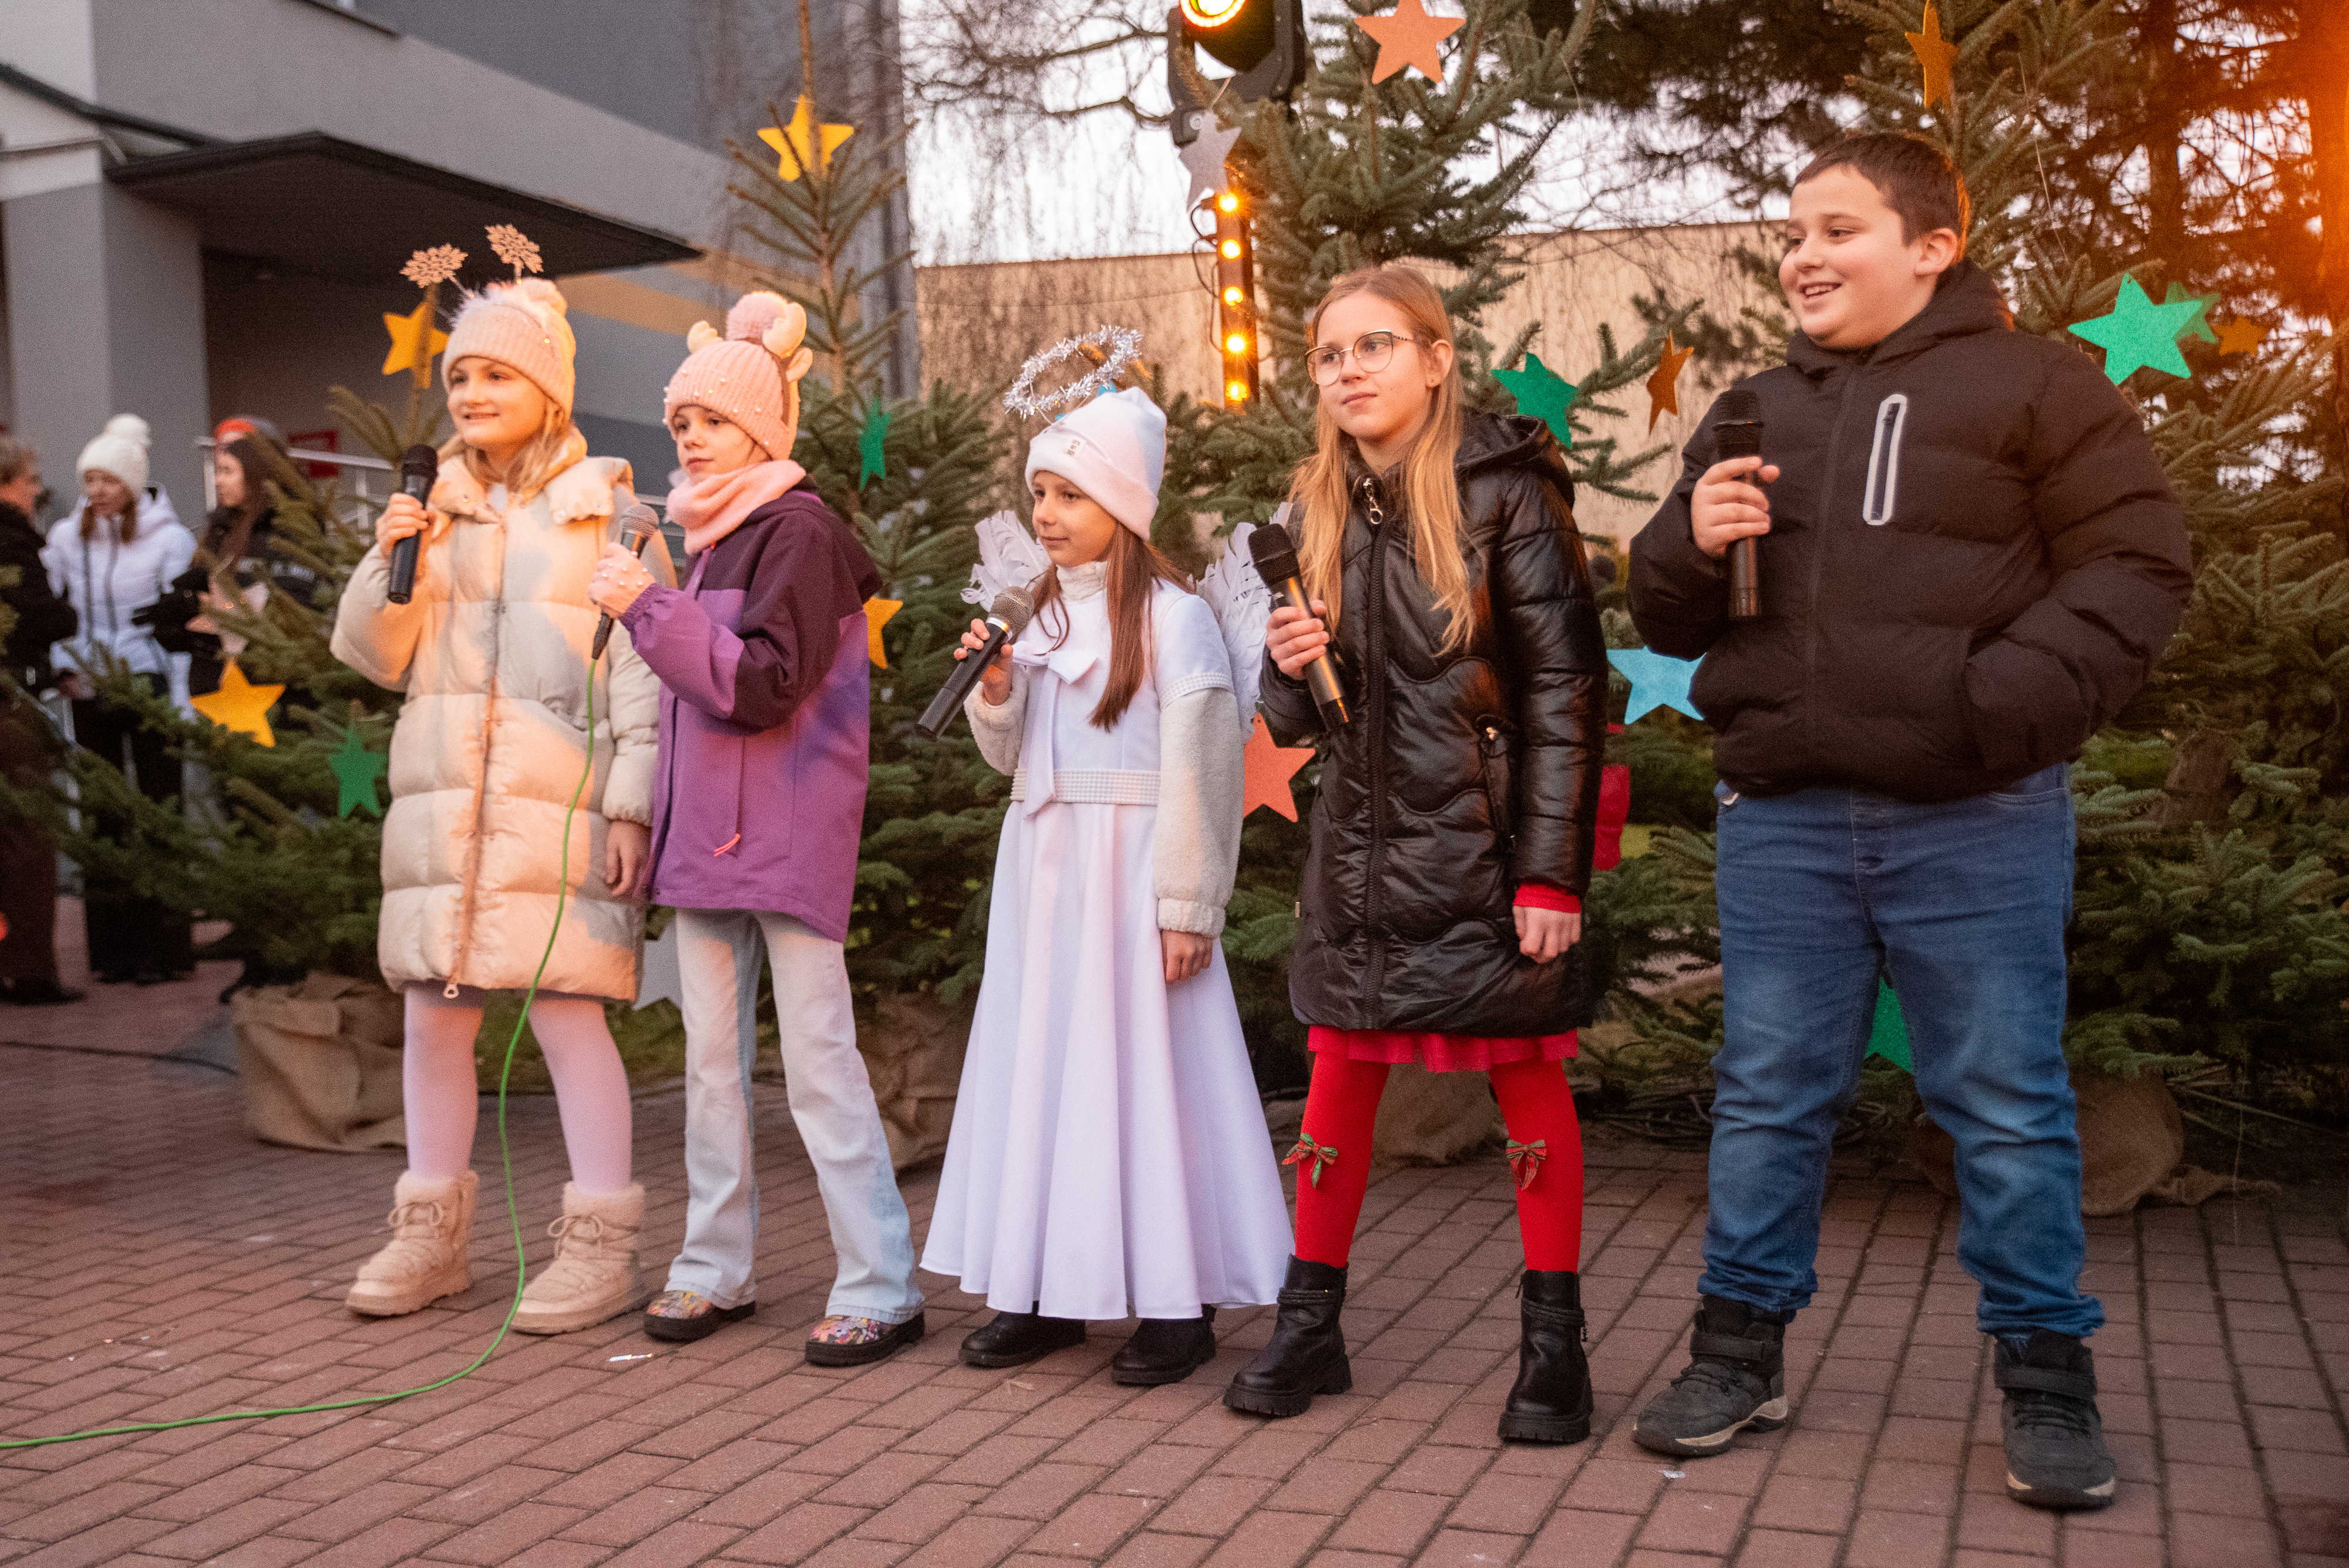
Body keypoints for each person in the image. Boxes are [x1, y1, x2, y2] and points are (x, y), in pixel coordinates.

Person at [1626, 132, 2192, 1511]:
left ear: (1932, 245)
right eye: (1792, 234)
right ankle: (1736, 1353)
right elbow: (1663, 610)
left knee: (2001, 1100)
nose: (1802, 256)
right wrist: (1687, 539)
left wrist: (1993, 703)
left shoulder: (2038, 386)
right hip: (1785, 817)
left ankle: (2046, 1380)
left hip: (1975, 816)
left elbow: (2136, 561)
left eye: (1838, 229)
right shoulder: (1753, 407)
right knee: (1767, 1094)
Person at [1223, 264, 1607, 1443]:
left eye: (1375, 345)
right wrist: (1288, 663)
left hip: (1486, 850)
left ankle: (1555, 1348)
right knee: (1337, 1080)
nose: (1349, 371)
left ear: (1436, 360)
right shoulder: (1312, 512)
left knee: (1524, 1072)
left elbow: (1565, 692)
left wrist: (1551, 873)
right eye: (1330, 354)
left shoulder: (1508, 493)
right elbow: (1296, 725)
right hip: (1360, 849)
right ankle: (1310, 1324)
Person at [920, 386, 1292, 1384]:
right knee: (1045, 1071)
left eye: (1071, 494)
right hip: (1044, 877)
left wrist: (1188, 904)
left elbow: (1202, 771)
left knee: (1148, 1078)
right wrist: (995, 693)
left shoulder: (1175, 620)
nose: (1046, 513)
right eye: (1039, 492)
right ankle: (1044, 1290)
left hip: (1133, 877)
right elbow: (1014, 762)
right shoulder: (1032, 615)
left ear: (1122, 505)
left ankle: (1178, 1300)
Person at [585, 292, 927, 1364]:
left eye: (715, 421)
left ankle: (881, 1282)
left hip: (783, 836)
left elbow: (762, 686)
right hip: (706, 841)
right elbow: (692, 694)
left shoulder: (799, 533)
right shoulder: (709, 535)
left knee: (819, 1061)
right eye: (682, 420)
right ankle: (711, 1267)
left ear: (766, 429)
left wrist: (647, 608)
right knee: (709, 1066)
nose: (691, 437)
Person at [331, 272, 671, 1335]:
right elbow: (375, 653)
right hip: (446, 808)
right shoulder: (433, 510)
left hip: (558, 805)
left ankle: (600, 1242)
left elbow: (645, 674)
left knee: (568, 1009)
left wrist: (631, 806)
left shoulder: (611, 514)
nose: (473, 393)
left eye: (497, 374)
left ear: (549, 389)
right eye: (461, 376)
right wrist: (393, 556)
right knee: (433, 1013)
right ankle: (429, 1234)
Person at [41, 413, 195, 985]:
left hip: (147, 682)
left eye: (109, 480)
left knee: (158, 807)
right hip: (88, 683)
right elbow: (53, 608)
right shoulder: (67, 538)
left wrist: (181, 695)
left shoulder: (170, 540)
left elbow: (178, 626)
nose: (98, 491)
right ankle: (112, 951)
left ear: (132, 483)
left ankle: (165, 949)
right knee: (102, 811)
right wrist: (63, 663)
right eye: (90, 480)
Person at [149, 426, 322, 699]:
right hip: (215, 688)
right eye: (217, 471)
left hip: (270, 688)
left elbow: (295, 607)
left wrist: (219, 609)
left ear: (256, 475)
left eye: (227, 471)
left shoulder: (290, 530)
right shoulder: (220, 529)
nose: (217, 481)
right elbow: (196, 619)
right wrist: (180, 612)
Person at [0, 435, 81, 1005]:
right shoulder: (13, 542)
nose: (36, 491)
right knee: (28, 836)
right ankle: (30, 969)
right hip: (13, 704)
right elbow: (36, 617)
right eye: (30, 480)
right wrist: (67, 612)